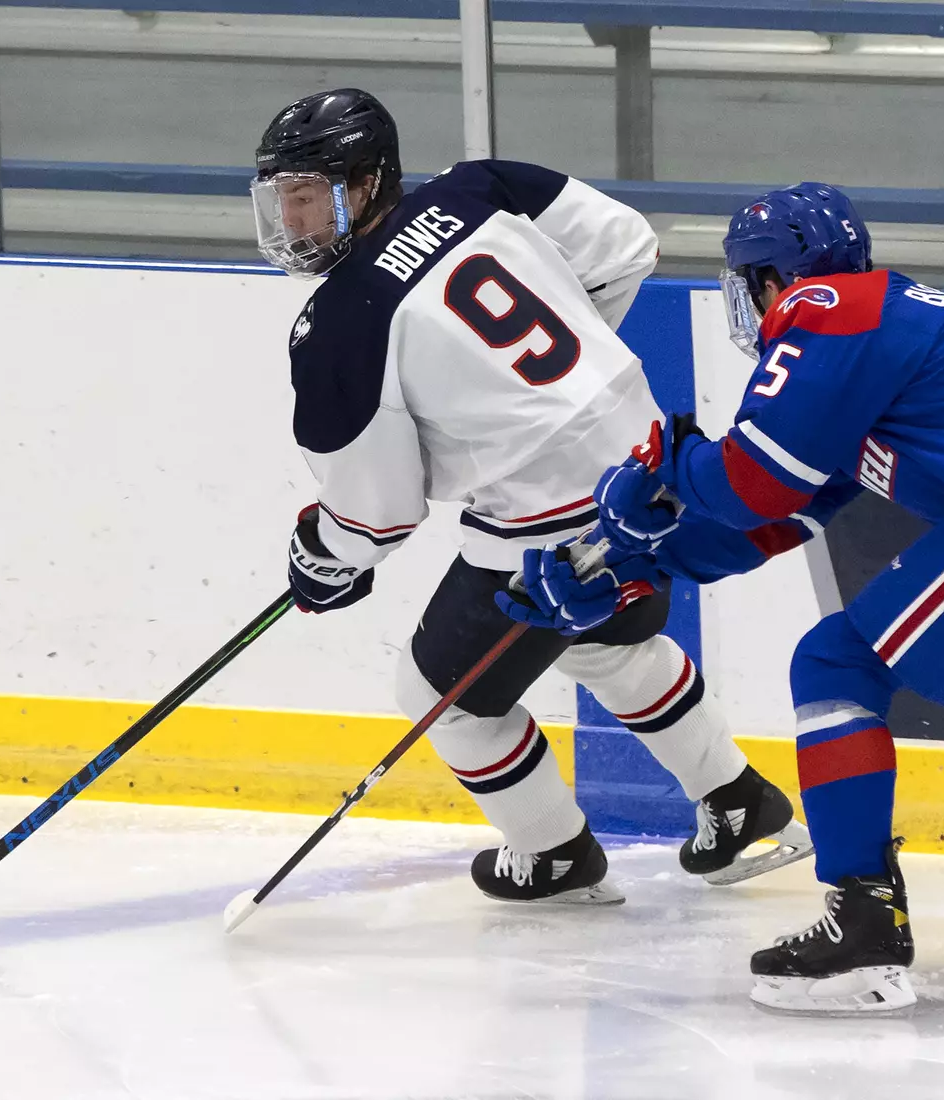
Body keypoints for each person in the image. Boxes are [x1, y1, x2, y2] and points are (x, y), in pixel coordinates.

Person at [522, 181, 944, 1010]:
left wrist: (663, 473)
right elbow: (776, 516)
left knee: (837, 664)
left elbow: (748, 484)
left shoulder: (825, 307)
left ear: (769, 278)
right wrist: (642, 570)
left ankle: (863, 927)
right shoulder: (881, 331)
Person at [253, 87, 813, 904]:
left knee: (441, 700)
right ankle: (740, 803)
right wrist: (569, 375)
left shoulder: (340, 321)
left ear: (368, 180)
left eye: (310, 196)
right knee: (604, 643)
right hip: (649, 469)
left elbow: (377, 514)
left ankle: (554, 854)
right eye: (284, 199)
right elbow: (627, 246)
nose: (294, 220)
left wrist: (325, 558)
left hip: (545, 519)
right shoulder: (479, 187)